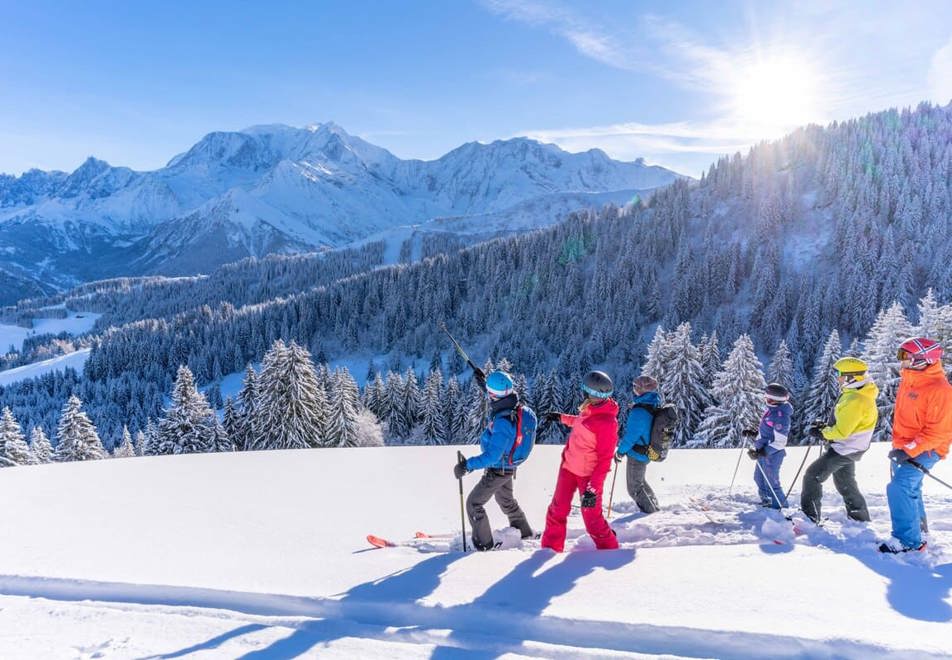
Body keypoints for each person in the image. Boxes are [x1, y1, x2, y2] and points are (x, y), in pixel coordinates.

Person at [881, 338, 952, 553]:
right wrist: (901, 446)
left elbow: (937, 432)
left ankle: (908, 541)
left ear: (923, 360)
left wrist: (908, 449)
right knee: (912, 489)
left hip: (928, 448)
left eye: (906, 357)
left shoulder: (940, 390)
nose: (901, 361)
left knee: (900, 487)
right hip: (904, 447)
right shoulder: (910, 379)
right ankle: (918, 530)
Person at [454, 370, 535, 551]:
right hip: (507, 467)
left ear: (494, 394)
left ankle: (484, 544)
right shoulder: (512, 403)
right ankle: (525, 532)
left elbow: (492, 456)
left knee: (474, 504)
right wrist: (484, 383)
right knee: (506, 501)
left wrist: (467, 465)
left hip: (498, 469)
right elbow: (498, 399)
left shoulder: (503, 423)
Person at [540, 371, 620, 552]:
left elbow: (605, 460)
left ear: (594, 394)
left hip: (588, 476)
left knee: (592, 518)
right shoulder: (591, 408)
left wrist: (593, 489)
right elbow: (581, 423)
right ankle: (549, 550)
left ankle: (610, 551)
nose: (584, 394)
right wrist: (561, 417)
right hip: (568, 467)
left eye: (586, 391)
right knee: (556, 510)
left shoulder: (607, 423)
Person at [801, 357, 877, 523]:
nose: (838, 378)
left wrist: (823, 433)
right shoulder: (858, 393)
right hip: (852, 447)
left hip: (844, 448)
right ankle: (859, 518)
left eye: (842, 374)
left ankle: (809, 518)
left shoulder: (856, 399)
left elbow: (842, 431)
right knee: (845, 482)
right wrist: (825, 428)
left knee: (812, 476)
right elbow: (845, 422)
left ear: (852, 377)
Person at [614, 375, 661, 514]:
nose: (633, 389)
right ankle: (655, 507)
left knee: (634, 488)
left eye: (636, 386)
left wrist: (620, 452)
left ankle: (651, 513)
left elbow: (631, 436)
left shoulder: (640, 411)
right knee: (640, 482)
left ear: (642, 389)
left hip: (637, 454)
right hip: (646, 451)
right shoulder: (651, 405)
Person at [746, 382, 792, 509]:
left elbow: (780, 442)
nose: (765, 399)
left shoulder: (780, 416)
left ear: (773, 400)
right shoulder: (771, 411)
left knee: (771, 482)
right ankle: (767, 501)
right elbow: (767, 433)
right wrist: (754, 434)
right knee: (758, 478)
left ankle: (780, 507)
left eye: (767, 398)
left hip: (773, 455)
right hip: (763, 452)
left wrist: (762, 452)